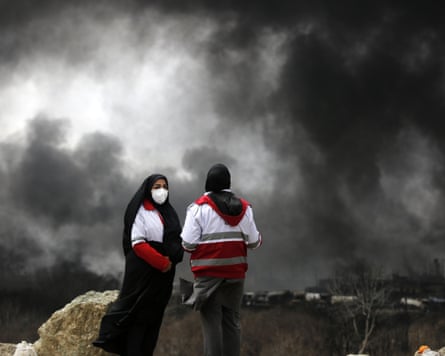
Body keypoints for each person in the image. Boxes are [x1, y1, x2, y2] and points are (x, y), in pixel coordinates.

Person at [93, 174, 183, 356]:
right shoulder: (140, 211)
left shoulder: (168, 212)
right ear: (148, 189)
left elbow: (175, 240)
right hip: (144, 273)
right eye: (157, 186)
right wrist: (162, 262)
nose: (162, 191)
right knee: (137, 320)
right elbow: (138, 243)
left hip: (163, 277)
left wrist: (172, 258)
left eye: (165, 186)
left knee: (153, 320)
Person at [181, 163, 262, 356]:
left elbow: (188, 244)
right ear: (229, 183)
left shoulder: (197, 209)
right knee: (231, 322)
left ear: (207, 183)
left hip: (208, 275)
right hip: (235, 274)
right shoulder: (245, 208)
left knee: (211, 324)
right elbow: (254, 242)